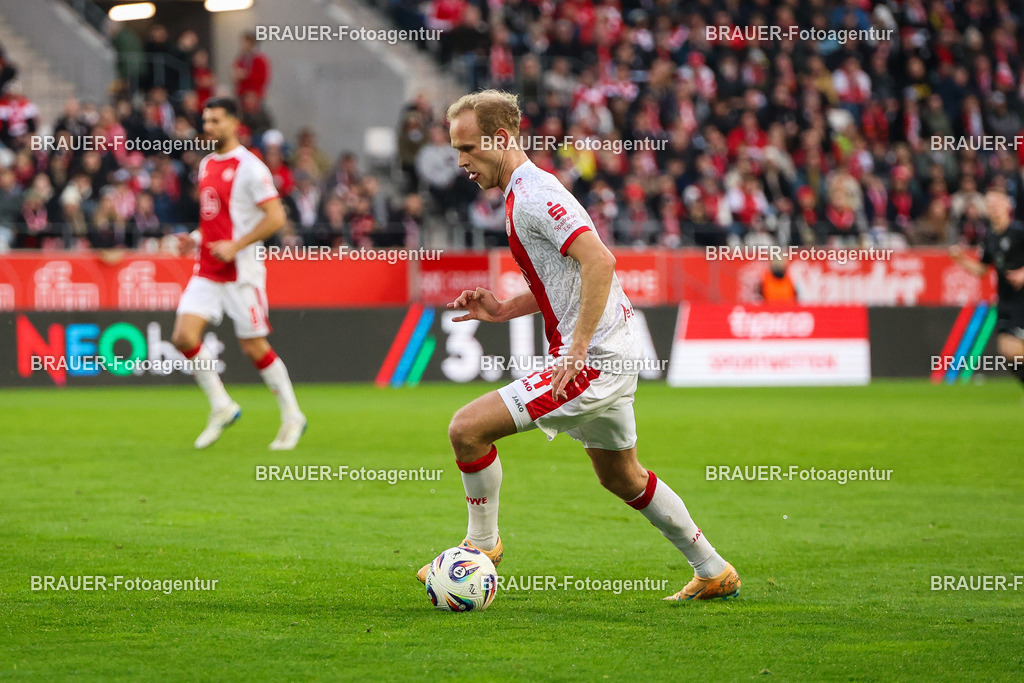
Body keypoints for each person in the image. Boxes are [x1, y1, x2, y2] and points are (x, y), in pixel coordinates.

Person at [416, 90, 740, 602]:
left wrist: (578, 348)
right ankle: (713, 570)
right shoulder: (521, 193)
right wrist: (503, 309)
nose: (461, 162)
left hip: (593, 361)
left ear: (499, 139)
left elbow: (600, 261)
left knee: (467, 430)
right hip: (606, 353)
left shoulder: (534, 194)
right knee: (621, 475)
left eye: (468, 148)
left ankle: (481, 545)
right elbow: (564, 280)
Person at [171, 97, 306, 450]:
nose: (209, 127)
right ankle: (222, 406)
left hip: (241, 271)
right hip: (207, 268)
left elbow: (276, 217)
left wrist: (236, 245)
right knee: (183, 337)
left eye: (216, 120)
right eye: (206, 121)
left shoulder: (251, 167)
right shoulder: (206, 164)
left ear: (234, 123)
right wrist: (195, 238)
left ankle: (293, 416)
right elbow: (215, 219)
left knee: (253, 346)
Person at [950, 188, 1024, 390]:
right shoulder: (990, 237)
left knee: (1014, 350)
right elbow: (982, 268)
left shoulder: (1019, 231)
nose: (993, 208)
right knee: (1007, 350)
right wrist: (961, 260)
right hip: (1006, 301)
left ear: (1007, 206)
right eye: (989, 205)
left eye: (997, 203)